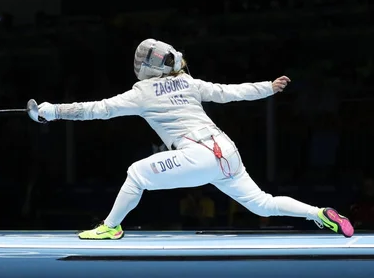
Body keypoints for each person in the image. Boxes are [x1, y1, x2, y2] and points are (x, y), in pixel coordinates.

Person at [36, 39, 354, 239]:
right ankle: (319, 213)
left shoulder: (142, 92)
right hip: (226, 150)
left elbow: (97, 110)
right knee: (262, 204)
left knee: (136, 173)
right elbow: (229, 92)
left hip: (198, 155)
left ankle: (111, 226)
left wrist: (51, 111)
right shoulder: (188, 82)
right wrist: (267, 87)